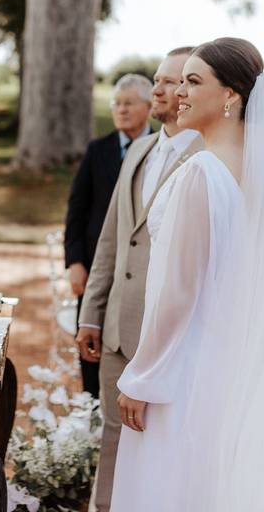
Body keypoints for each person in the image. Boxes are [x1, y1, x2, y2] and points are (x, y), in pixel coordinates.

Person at [111, 38, 264, 511]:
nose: (178, 94)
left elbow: (178, 292)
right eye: (180, 80)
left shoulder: (202, 174)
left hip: (183, 371)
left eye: (193, 81)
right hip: (230, 365)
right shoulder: (259, 177)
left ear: (230, 95)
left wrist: (142, 377)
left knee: (171, 487)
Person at [76, 48, 202, 511]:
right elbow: (111, 239)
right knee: (112, 441)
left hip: (172, 340)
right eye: (158, 79)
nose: (160, 89)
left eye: (173, 81)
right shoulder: (141, 150)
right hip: (115, 333)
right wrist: (91, 314)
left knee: (168, 448)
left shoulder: (211, 159)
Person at [64, 73, 153, 396]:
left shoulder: (160, 151)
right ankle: (92, 407)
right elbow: (76, 209)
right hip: (94, 265)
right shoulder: (97, 150)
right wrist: (74, 261)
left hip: (138, 268)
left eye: (129, 103)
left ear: (149, 106)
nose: (121, 109)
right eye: (116, 103)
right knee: (89, 338)